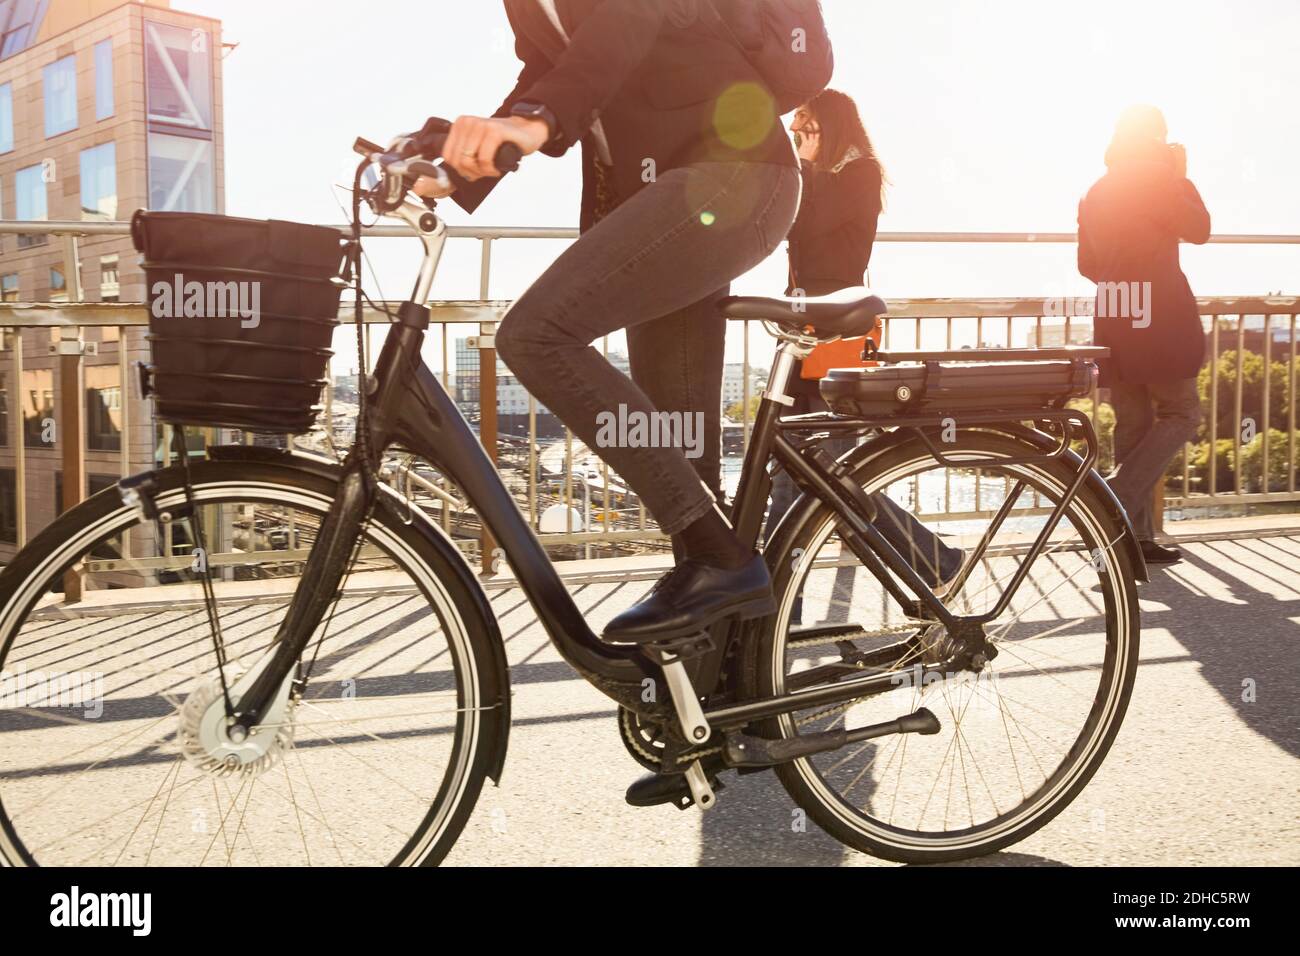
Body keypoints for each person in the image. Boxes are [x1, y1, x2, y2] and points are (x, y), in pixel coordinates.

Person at [416, 0, 801, 638]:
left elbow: (623, 27)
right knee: (688, 457)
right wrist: (455, 167)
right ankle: (730, 694)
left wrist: (537, 121)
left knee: (536, 333)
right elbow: (549, 75)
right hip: (665, 197)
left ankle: (725, 561)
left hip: (736, 176)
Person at [768, 89, 963, 593]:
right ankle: (765, 586)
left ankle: (935, 559)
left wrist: (806, 167)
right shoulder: (818, 177)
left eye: (804, 126)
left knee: (836, 469)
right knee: (787, 459)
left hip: (838, 335)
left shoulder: (860, 174)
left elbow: (809, 225)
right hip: (803, 327)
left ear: (828, 125)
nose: (797, 135)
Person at [1078, 105, 1211, 565]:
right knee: (1183, 413)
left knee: (1133, 424)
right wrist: (1180, 175)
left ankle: (1133, 543)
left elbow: (1087, 266)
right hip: (1159, 313)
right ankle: (1110, 497)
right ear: (1158, 137)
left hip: (1115, 311)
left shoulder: (1097, 191)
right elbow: (1199, 229)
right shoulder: (1162, 179)